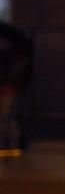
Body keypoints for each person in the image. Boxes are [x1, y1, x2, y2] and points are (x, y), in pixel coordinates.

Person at [0, 22, 32, 156]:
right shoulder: (16, 52)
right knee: (9, 118)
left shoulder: (13, 54)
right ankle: (12, 145)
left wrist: (9, 84)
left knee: (6, 118)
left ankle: (9, 145)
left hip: (8, 89)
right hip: (10, 88)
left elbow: (14, 72)